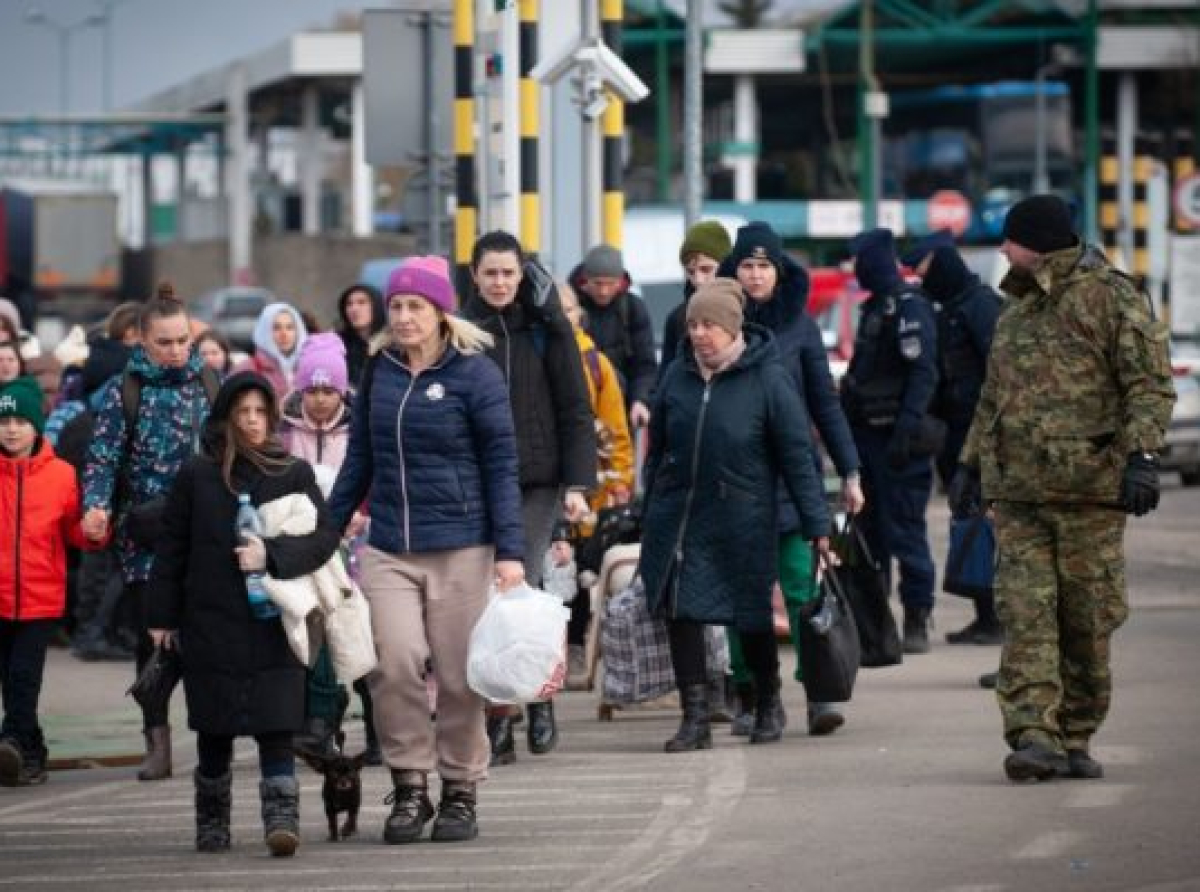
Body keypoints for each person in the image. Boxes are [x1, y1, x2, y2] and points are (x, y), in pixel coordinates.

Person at [954, 194, 1174, 782]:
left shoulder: (1111, 297)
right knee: (1025, 618)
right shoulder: (1017, 311)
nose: (1002, 248)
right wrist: (970, 465)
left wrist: (1143, 457)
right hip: (1021, 497)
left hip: (1089, 495)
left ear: (1040, 240)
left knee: (1086, 623)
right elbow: (993, 397)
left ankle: (1075, 732)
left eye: (1010, 238)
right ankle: (1033, 735)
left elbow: (1148, 385)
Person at [327, 255, 525, 844]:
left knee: (462, 676)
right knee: (394, 663)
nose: (405, 317)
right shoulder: (380, 369)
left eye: (417, 306)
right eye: (397, 306)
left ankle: (460, 789)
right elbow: (360, 457)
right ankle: (410, 785)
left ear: (441, 312)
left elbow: (501, 466)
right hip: (389, 546)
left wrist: (511, 553)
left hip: (463, 546)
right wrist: (327, 529)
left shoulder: (475, 375)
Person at [147, 371, 341, 854]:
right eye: (242, 413)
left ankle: (282, 819)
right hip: (210, 618)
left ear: (272, 417)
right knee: (214, 727)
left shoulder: (291, 472)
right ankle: (212, 820)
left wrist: (271, 554)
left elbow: (323, 538)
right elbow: (172, 548)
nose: (252, 422)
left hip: (274, 621)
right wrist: (162, 617)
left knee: (277, 725)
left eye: (260, 413)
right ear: (226, 418)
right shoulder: (198, 473)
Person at [639, 278, 831, 752]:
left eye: (709, 324)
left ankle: (767, 701)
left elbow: (797, 457)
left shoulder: (768, 378)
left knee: (750, 616)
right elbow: (658, 445)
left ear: (732, 327)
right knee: (680, 611)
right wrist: (653, 499)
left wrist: (817, 526)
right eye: (693, 324)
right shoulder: (678, 376)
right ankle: (695, 718)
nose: (699, 333)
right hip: (680, 515)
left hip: (743, 517)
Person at [717, 221, 863, 735]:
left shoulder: (799, 327)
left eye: (764, 266)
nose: (755, 276)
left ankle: (819, 691)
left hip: (792, 480)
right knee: (745, 595)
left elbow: (825, 403)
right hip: (735, 482)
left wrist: (849, 470)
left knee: (802, 587)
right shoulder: (718, 322)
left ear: (779, 271)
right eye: (747, 266)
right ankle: (751, 692)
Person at [463, 232, 596, 764]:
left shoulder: (547, 326)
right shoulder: (459, 330)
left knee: (525, 582)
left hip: (537, 477)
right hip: (475, 477)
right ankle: (500, 717)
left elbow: (575, 405)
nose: (499, 282)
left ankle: (539, 701)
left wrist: (578, 485)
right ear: (475, 275)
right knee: (484, 597)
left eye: (508, 273)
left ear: (523, 275)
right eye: (490, 273)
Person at [81, 287, 218, 781]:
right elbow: (102, 457)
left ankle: (211, 739)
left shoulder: (207, 380)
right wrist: (95, 506)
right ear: (142, 340)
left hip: (204, 530)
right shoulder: (125, 391)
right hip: (146, 534)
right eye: (165, 342)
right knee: (153, 641)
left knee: (205, 638)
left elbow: (228, 449)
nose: (177, 349)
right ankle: (155, 741)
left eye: (183, 339)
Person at [0, 377, 106, 787]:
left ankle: (11, 741)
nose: (11, 429)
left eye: (20, 421)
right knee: (10, 680)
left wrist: (94, 530)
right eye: (4, 420)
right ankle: (32, 752)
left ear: (37, 425)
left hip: (40, 599)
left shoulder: (61, 475)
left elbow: (75, 535)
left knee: (25, 678)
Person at [279, 332, 378, 765]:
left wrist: (361, 514)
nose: (319, 400)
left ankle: (378, 728)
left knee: (362, 635)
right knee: (317, 634)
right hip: (308, 548)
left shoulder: (360, 429)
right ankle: (321, 725)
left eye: (328, 390)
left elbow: (372, 477)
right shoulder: (286, 435)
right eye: (312, 390)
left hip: (356, 543)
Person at [841, 228, 941, 655]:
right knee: (871, 538)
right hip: (867, 440)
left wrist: (905, 429)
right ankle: (877, 626)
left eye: (859, 261)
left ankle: (917, 618)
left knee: (906, 532)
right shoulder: (874, 309)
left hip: (899, 443)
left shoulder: (909, 309)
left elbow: (923, 375)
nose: (855, 269)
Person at [903, 231, 1003, 645]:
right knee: (968, 526)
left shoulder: (982, 307)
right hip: (954, 439)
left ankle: (998, 618)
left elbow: (999, 376)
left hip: (981, 441)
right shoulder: (946, 309)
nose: (920, 278)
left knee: (987, 527)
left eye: (923, 269)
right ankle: (984, 614)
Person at [558, 283, 634, 686]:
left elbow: (616, 427)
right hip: (544, 481)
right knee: (550, 568)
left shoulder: (595, 362)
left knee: (583, 567)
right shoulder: (534, 353)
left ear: (579, 314)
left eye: (568, 308)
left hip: (593, 483)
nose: (562, 315)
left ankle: (575, 645)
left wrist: (621, 479)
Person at [567, 244, 658, 427]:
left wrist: (640, 399)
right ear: (585, 280)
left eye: (610, 284)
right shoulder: (570, 306)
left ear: (621, 281)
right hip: (580, 408)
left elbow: (645, 364)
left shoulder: (633, 308)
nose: (604, 291)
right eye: (598, 283)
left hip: (622, 408)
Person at [660, 220, 733, 373]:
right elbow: (663, 383)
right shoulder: (678, 318)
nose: (698, 280)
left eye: (706, 269)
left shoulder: (751, 310)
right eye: (691, 272)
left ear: (726, 265)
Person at [233, 302, 308, 396]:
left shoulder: (307, 368)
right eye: (276, 328)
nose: (284, 334)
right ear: (264, 332)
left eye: (290, 327)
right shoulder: (247, 370)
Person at [335, 284, 385, 389]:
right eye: (349, 304)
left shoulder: (393, 345)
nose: (354, 309)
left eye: (362, 302)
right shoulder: (337, 345)